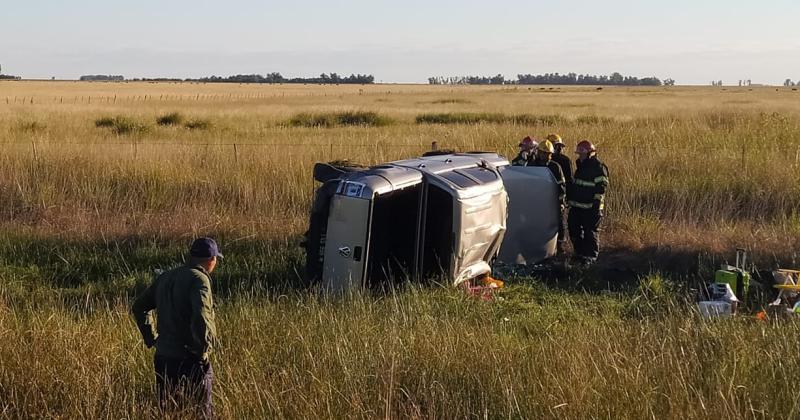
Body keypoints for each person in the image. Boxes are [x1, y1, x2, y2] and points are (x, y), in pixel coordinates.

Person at [132, 237, 222, 418]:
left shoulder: (166, 277)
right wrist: (203, 351)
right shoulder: (200, 279)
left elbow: (139, 307)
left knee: (169, 411)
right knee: (201, 413)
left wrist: (152, 338)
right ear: (212, 260)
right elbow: (201, 316)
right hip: (190, 359)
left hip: (163, 357)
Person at [567, 140, 609, 265]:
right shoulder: (581, 166)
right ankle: (579, 254)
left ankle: (591, 257)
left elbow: (601, 188)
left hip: (591, 208)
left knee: (590, 233)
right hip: (577, 206)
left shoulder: (598, 167)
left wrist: (596, 204)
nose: (580, 156)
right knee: (573, 229)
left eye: (582, 154)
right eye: (579, 154)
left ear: (590, 153)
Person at [531, 140, 567, 254]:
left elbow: (562, 186)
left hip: (552, 202)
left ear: (550, 154)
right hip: (537, 202)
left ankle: (559, 247)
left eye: (546, 153)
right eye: (542, 153)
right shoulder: (532, 165)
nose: (543, 156)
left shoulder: (555, 167)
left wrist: (560, 202)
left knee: (558, 223)